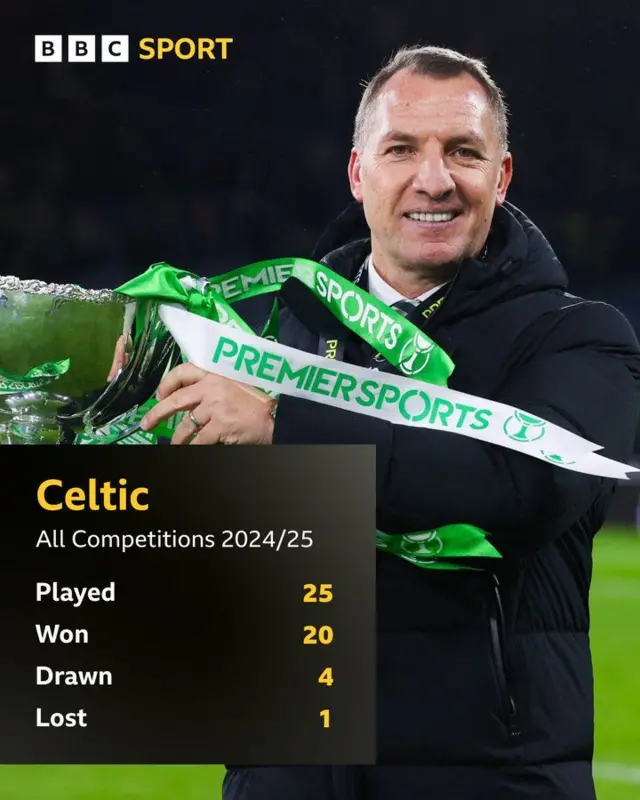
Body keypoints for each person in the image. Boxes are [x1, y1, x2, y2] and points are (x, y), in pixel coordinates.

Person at [116, 46, 640, 799]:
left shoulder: (575, 339)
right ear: (359, 173)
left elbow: (521, 487)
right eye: (402, 149)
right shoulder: (273, 340)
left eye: (463, 151)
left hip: (483, 782)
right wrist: (130, 422)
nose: (434, 179)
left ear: (502, 176)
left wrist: (282, 426)